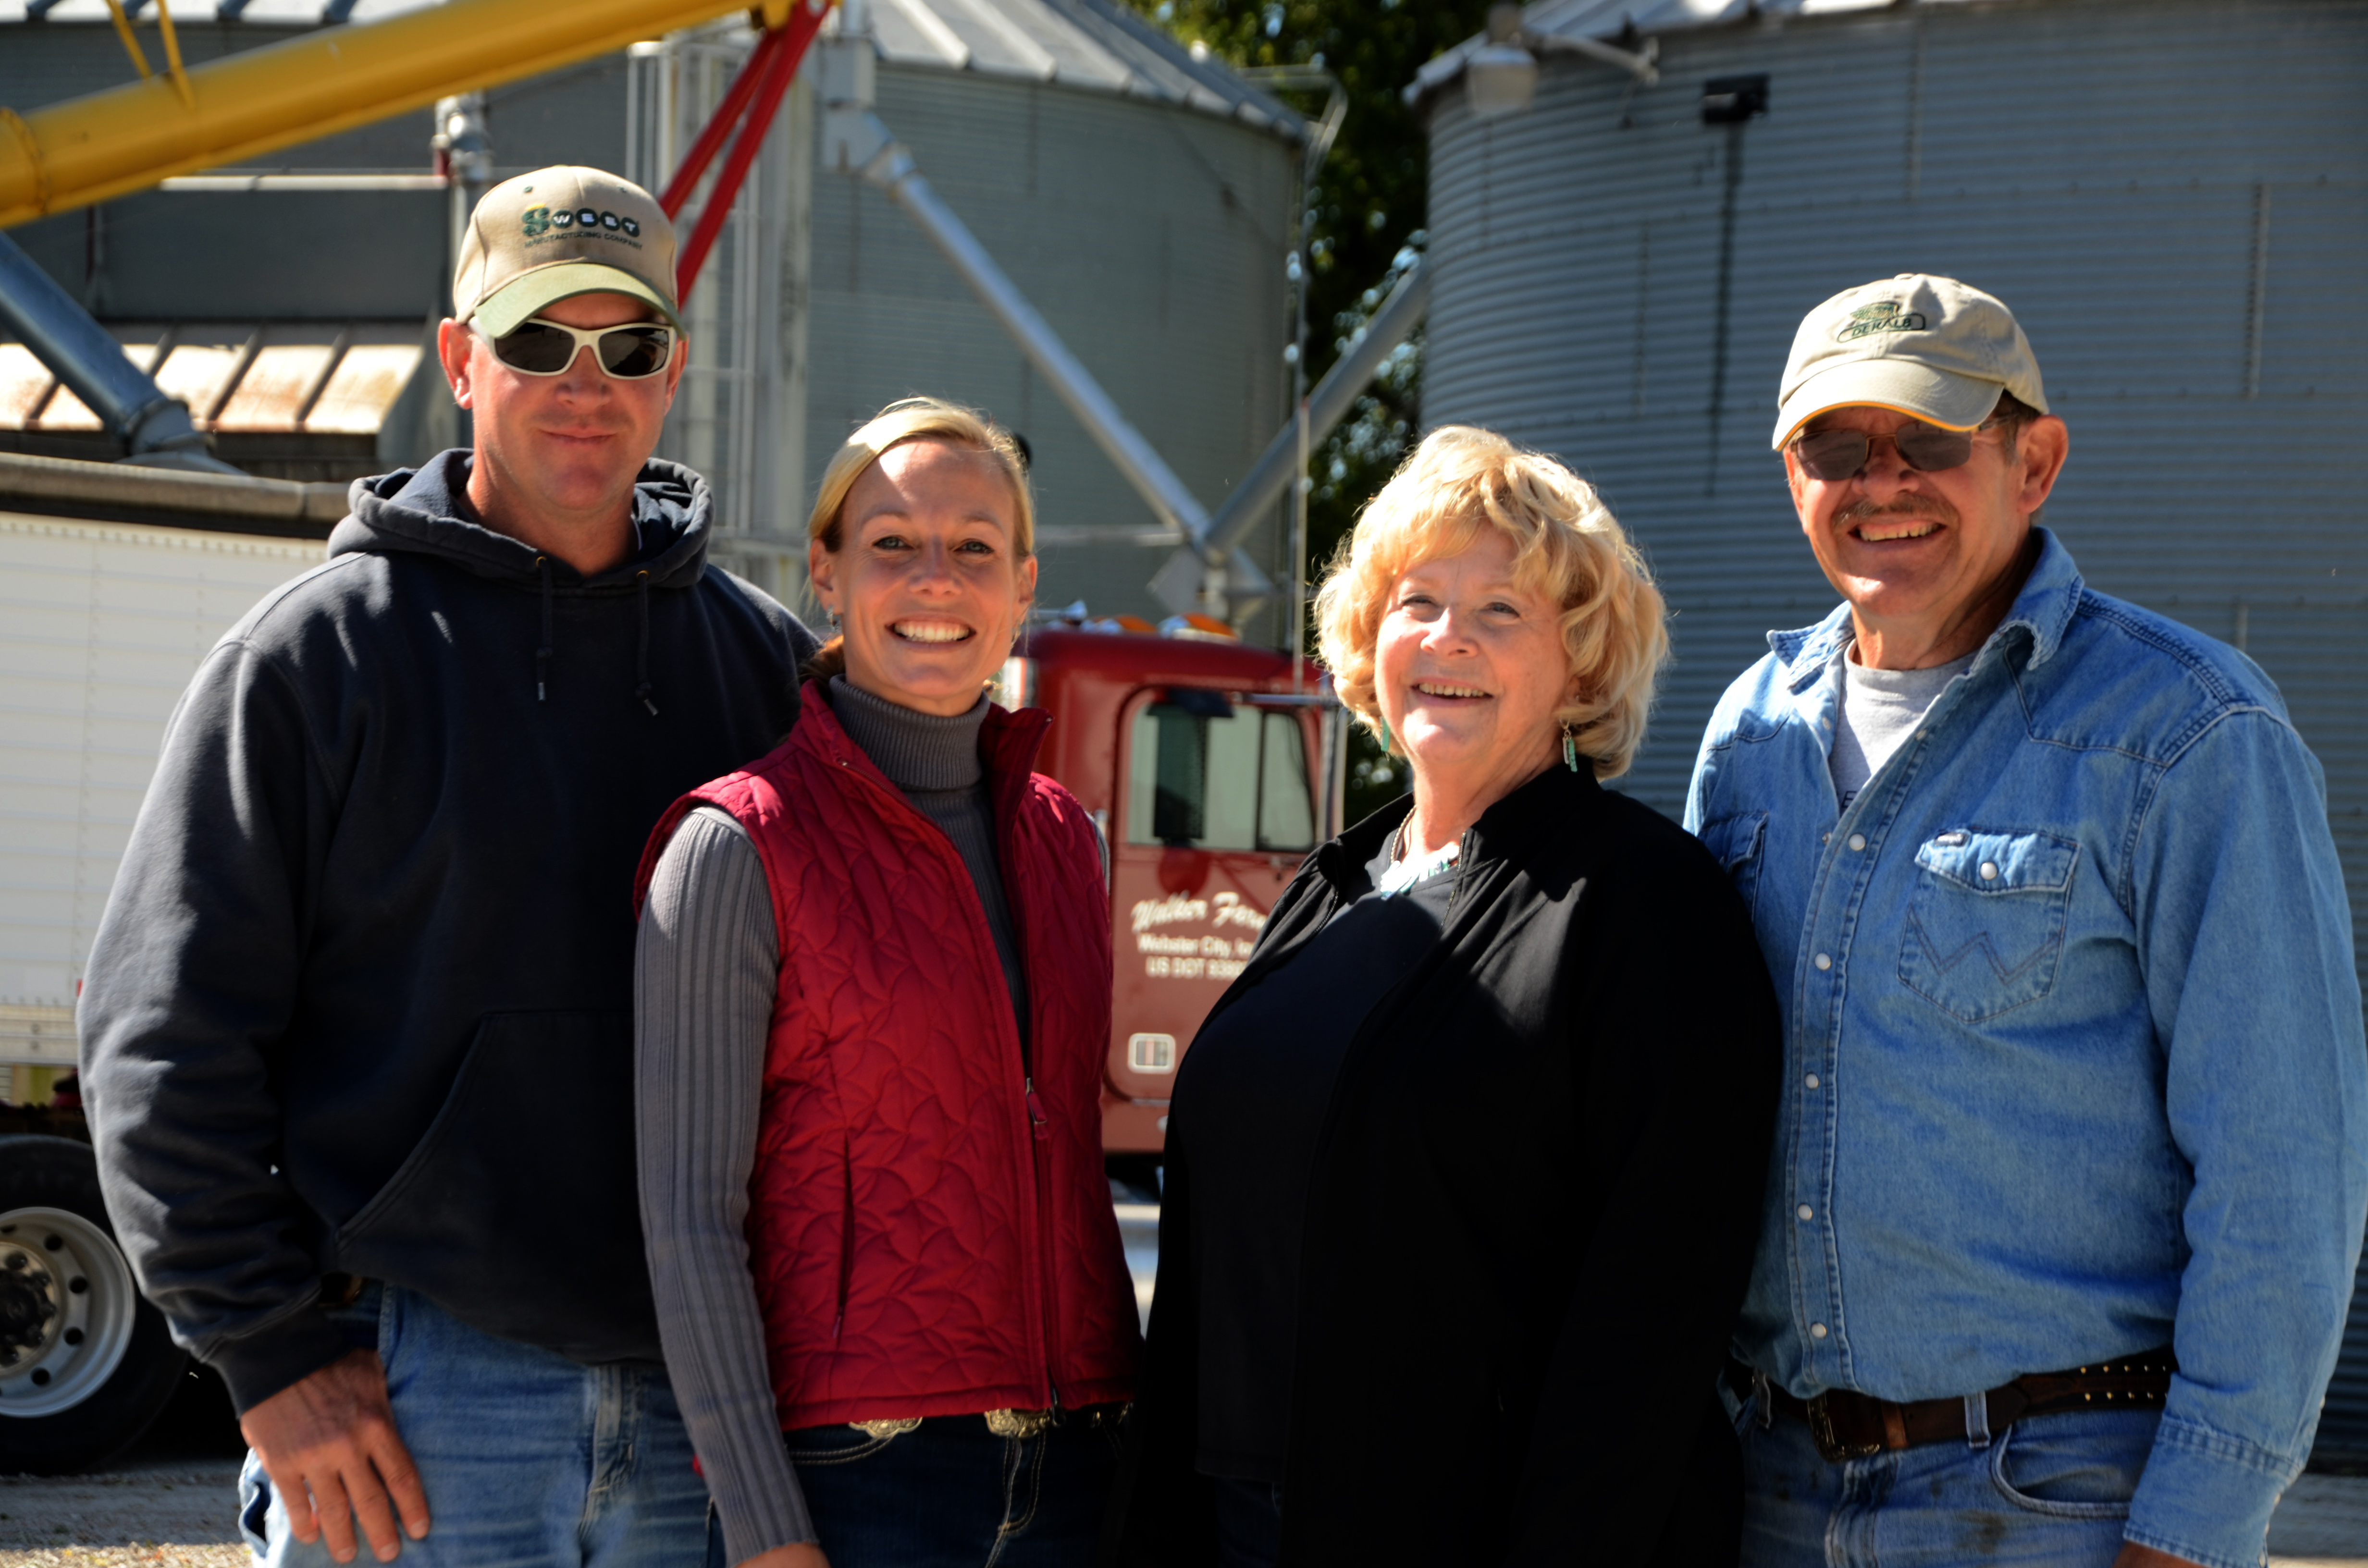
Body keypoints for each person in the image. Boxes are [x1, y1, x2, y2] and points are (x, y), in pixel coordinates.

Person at [78, 167, 816, 1568]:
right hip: (410, 1393)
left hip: (707, 1406)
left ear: (674, 372)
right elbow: (159, 1044)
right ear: (462, 359)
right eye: (539, 341)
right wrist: (271, 1357)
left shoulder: (767, 671)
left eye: (629, 346)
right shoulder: (311, 664)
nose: (585, 383)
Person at [1686, 273, 2368, 1567]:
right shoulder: (1749, 733)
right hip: (1769, 1487)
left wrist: (2196, 1527)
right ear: (1792, 474)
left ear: (2034, 461)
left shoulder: (2189, 735)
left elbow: (2283, 1171)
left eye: (1932, 440)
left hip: (2056, 1500)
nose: (1883, 482)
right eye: (1838, 446)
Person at [1104, 427, 1783, 1568]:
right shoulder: (1332, 891)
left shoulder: (1646, 906)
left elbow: (1653, 1323)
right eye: (1417, 602)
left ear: (1580, 662)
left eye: (1501, 612)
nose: (1447, 638)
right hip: (1238, 1521)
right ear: (1371, 642)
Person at [633, 398, 1140, 1568]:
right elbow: (688, 1224)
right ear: (825, 572)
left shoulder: (1070, 837)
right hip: (859, 1478)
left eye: (973, 548)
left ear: (1022, 585)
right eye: (891, 544)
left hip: (1083, 1466)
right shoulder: (736, 845)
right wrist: (764, 1533)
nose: (935, 580)